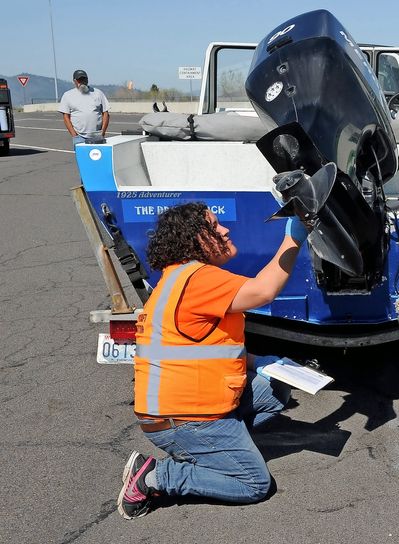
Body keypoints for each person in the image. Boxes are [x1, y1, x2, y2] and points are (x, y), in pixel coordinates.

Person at [117, 201, 309, 519]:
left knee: (276, 387)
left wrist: (262, 362)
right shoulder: (198, 279)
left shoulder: (177, 278)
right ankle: (154, 477)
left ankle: (217, 450)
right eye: (214, 226)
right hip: (184, 419)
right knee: (255, 484)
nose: (224, 229)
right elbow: (263, 290)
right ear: (194, 240)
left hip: (177, 412)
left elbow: (206, 346)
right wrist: (294, 237)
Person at [58, 69, 110, 145]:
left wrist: (102, 133)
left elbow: (105, 113)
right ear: (74, 81)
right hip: (79, 137)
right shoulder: (67, 95)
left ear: (87, 80)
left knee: (97, 156)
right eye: (79, 80)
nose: (82, 82)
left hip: (97, 136)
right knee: (81, 157)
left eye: (84, 79)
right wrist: (74, 135)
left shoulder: (98, 93)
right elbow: (66, 117)